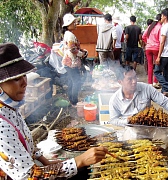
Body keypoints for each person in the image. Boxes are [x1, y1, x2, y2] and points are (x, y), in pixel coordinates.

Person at [0, 43, 108, 179]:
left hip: (35, 168)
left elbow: (28, 146)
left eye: (24, 76)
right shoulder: (1, 126)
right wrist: (79, 160)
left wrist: (46, 161)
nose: (24, 82)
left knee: (83, 171)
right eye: (16, 79)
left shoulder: (10, 109)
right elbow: (30, 176)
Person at [108, 65, 168, 131]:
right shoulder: (115, 100)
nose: (134, 81)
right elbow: (113, 120)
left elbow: (165, 102)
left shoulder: (146, 88)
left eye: (135, 77)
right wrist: (127, 121)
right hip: (129, 131)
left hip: (149, 129)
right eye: (129, 79)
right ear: (120, 82)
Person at [62, 13, 87, 106]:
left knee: (72, 81)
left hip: (68, 61)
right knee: (77, 81)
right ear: (68, 25)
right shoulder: (70, 35)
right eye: (73, 22)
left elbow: (72, 47)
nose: (75, 24)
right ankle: (74, 101)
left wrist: (81, 50)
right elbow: (72, 49)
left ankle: (71, 99)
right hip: (71, 62)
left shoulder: (67, 34)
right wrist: (81, 54)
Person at [154, 8, 168, 96]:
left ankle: (166, 87)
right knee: (166, 72)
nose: (161, 18)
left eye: (162, 16)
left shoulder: (164, 27)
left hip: (164, 53)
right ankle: (165, 91)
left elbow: (162, 42)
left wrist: (159, 56)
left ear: (165, 17)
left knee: (157, 71)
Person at [142, 14, 162, 89]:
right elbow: (161, 40)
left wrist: (148, 42)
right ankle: (155, 82)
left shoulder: (149, 27)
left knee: (150, 65)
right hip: (156, 48)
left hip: (148, 48)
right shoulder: (160, 27)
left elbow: (143, 36)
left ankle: (149, 83)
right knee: (157, 65)